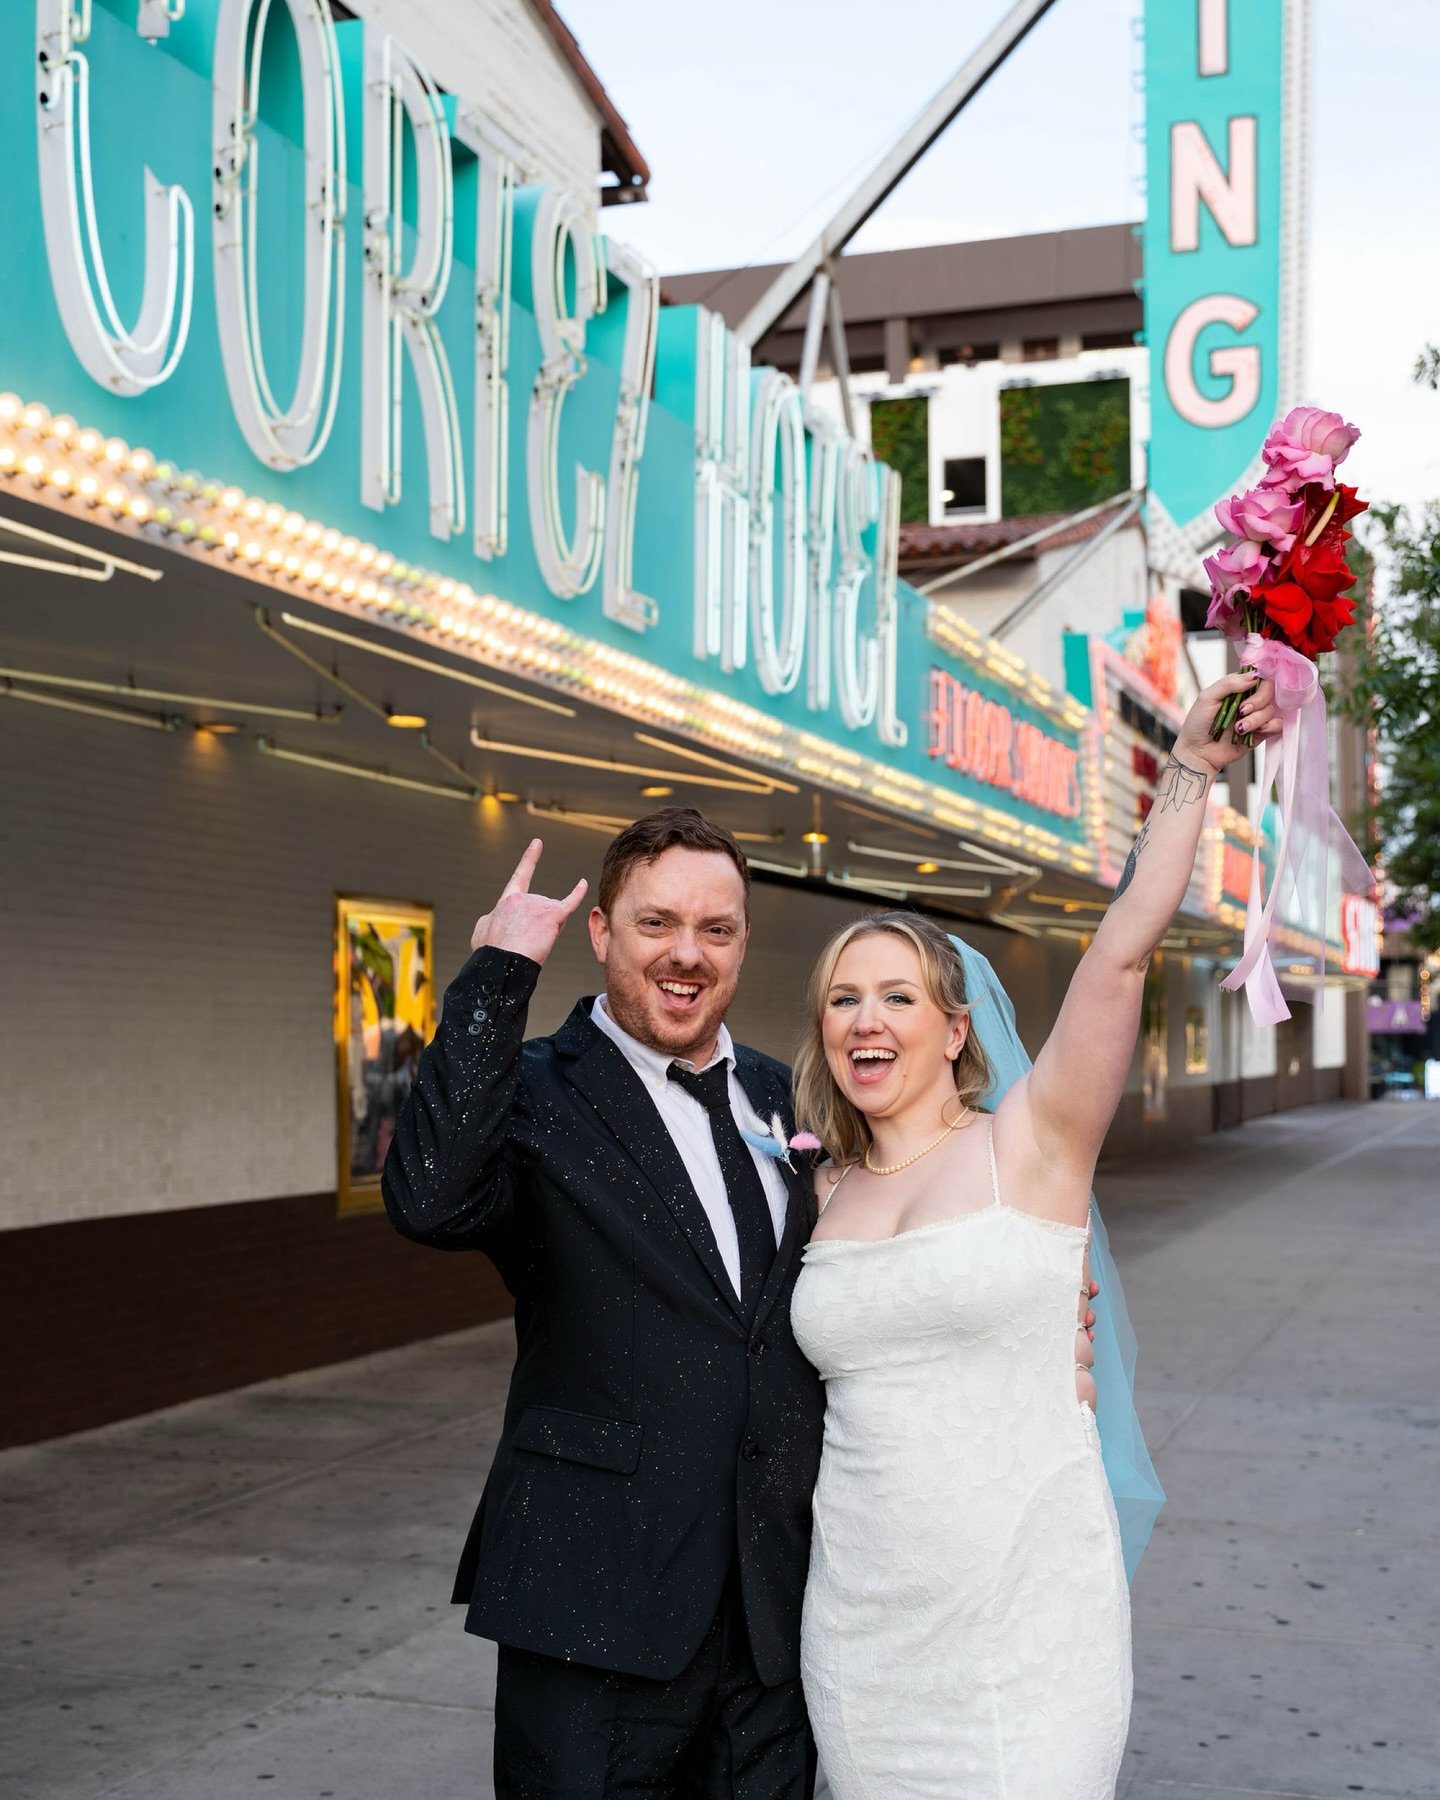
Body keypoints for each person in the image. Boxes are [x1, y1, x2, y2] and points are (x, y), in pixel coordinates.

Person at [788, 670, 1278, 1799]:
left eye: (899, 996)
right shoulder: (816, 1196)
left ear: (957, 1028)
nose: (869, 1019)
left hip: (1028, 1619)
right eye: (844, 997)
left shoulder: (1035, 1145)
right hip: (861, 1628)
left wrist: (1190, 773)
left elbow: (1115, 957)